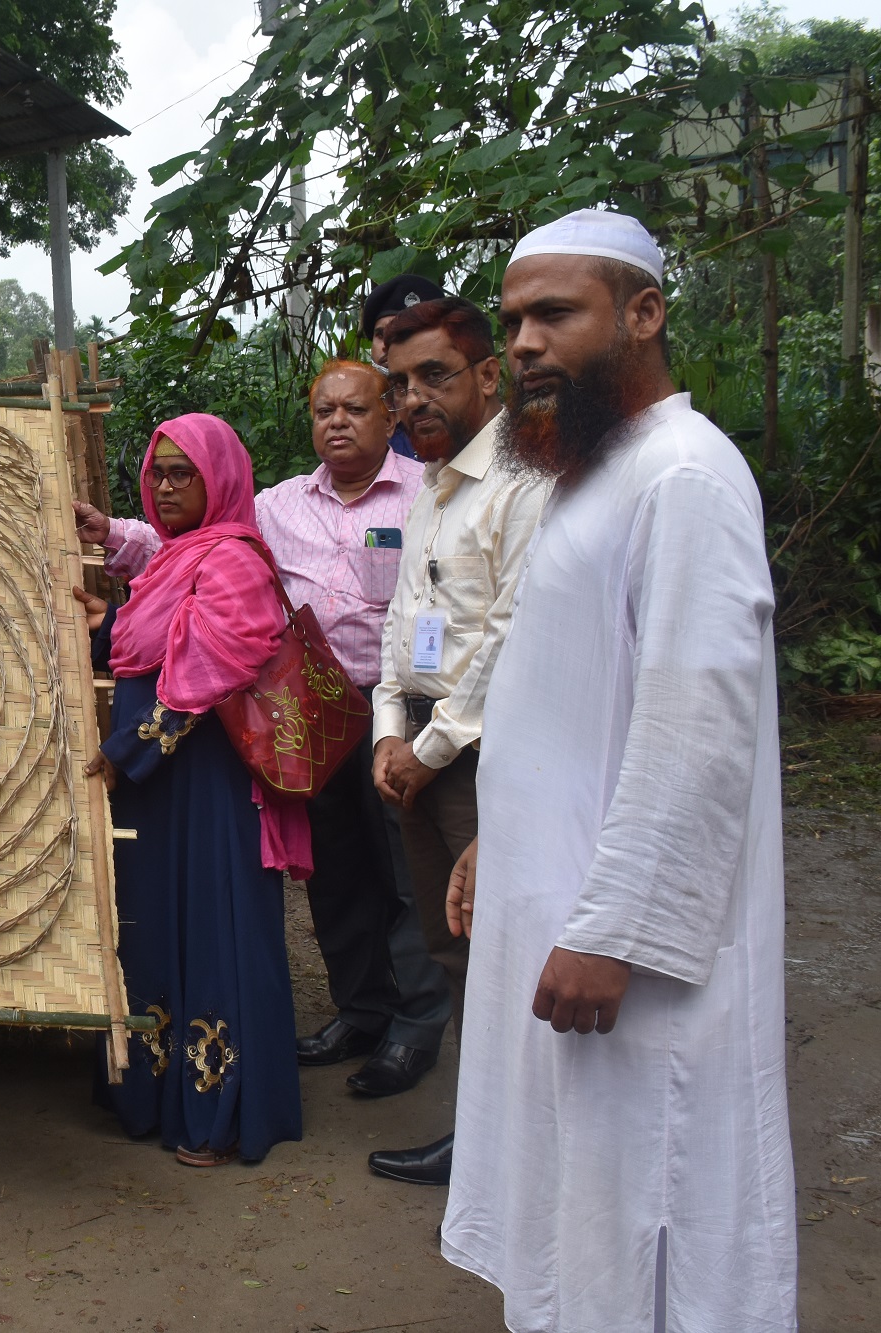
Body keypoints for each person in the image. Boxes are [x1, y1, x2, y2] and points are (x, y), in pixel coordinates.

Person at [440, 208, 797, 1332]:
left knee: (649, 1200)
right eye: (512, 320)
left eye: (555, 312)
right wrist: (498, 834)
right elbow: (569, 690)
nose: (526, 342)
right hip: (558, 906)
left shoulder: (683, 474)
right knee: (579, 1208)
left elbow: (697, 716)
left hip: (627, 958)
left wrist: (615, 927)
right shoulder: (587, 473)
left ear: (641, 313)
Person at [76, 415, 308, 1169]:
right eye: (159, 471)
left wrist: (125, 753)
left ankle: (220, 1112)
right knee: (153, 927)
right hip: (157, 785)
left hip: (208, 780)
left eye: (185, 473)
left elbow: (212, 671)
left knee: (215, 929)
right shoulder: (175, 557)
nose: (167, 486)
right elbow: (145, 643)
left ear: (221, 480)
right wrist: (105, 623)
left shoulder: (235, 559)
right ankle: (150, 1091)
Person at [364, 297, 550, 1189]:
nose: (412, 400)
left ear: (489, 375)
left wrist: (429, 749)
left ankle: (516, 1150)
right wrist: (388, 735)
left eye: (434, 375)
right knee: (454, 950)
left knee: (505, 948)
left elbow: (511, 637)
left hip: (489, 762)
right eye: (400, 384)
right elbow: (405, 626)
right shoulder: (431, 485)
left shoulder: (526, 482)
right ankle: (486, 1139)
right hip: (424, 761)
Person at [255, 361, 452, 1096]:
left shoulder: (427, 494)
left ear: (390, 416)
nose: (336, 422)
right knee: (336, 870)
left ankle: (416, 1024)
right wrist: (118, 535)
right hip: (314, 713)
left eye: (354, 408)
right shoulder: (276, 505)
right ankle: (361, 1009)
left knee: (407, 871)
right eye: (323, 410)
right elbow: (202, 541)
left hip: (400, 709)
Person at [362, 275, 444, 460]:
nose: (386, 345)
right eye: (380, 335)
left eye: (402, 334)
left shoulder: (451, 411)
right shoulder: (356, 417)